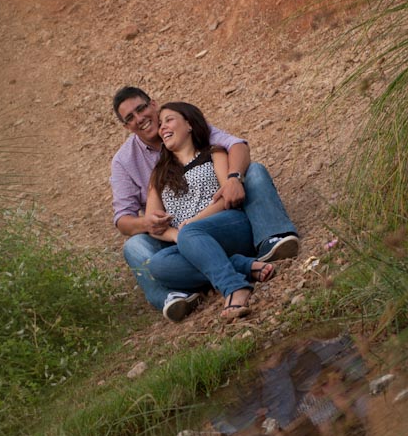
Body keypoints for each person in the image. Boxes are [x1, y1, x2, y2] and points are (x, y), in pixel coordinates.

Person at [111, 86, 299, 321]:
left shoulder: (207, 147)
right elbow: (123, 220)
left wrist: (233, 179)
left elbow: (237, 146)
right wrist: (155, 226)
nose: (140, 119)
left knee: (254, 171)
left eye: (141, 109)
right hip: (184, 239)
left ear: (153, 105)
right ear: (126, 126)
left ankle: (267, 246)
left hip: (222, 223)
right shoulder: (141, 168)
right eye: (130, 117)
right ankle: (191, 288)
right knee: (148, 258)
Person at [146, 102, 275, 320]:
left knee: (191, 234)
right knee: (158, 265)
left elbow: (228, 196)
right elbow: (154, 226)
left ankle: (234, 287)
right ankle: (241, 265)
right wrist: (179, 236)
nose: (162, 128)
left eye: (169, 120)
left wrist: (192, 224)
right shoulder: (158, 174)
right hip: (190, 241)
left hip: (228, 225)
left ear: (188, 124)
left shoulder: (214, 153)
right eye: (160, 125)